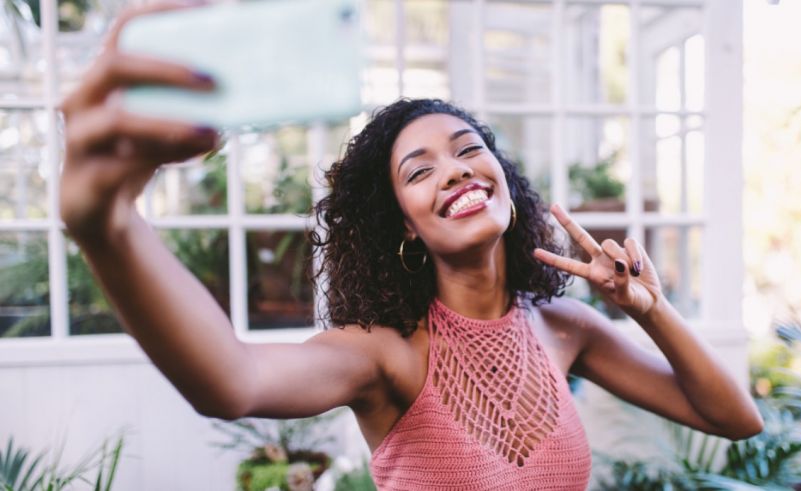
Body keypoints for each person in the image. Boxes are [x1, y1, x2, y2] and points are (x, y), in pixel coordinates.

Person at [59, 3, 764, 489]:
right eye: (419, 170)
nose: (454, 169)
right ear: (403, 222)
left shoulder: (565, 329)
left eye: (467, 151)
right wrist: (109, 226)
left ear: (503, 182)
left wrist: (648, 309)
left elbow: (735, 418)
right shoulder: (384, 354)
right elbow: (232, 380)